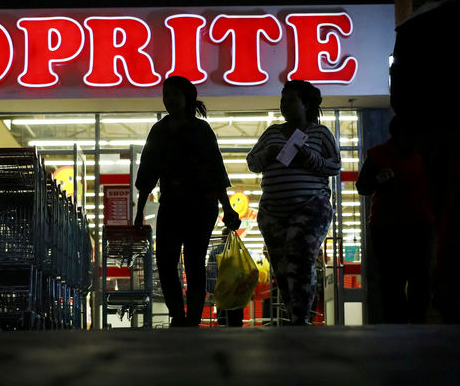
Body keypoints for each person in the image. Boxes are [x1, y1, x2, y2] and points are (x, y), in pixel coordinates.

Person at [389, 0, 460, 323]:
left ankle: (450, 290)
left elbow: (400, 86)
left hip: (433, 131)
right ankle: (453, 288)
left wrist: (410, 127)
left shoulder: (412, 28)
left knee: (444, 208)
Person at [134, 76, 241, 327]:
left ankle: (192, 317)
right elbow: (147, 172)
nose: (169, 99)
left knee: (194, 260)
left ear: (187, 98)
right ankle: (177, 314)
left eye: (175, 95)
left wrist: (228, 208)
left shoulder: (201, 130)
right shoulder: (159, 130)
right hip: (171, 203)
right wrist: (139, 211)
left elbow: (216, 170)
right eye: (166, 94)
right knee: (165, 260)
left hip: (200, 206)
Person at [246, 80, 340, 325]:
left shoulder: (320, 133)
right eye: (282, 100)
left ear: (305, 104)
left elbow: (334, 165)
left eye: (290, 100)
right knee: (282, 268)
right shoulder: (272, 132)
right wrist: (267, 154)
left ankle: (301, 319)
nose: (284, 105)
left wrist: (307, 155)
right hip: (272, 212)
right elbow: (252, 162)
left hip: (310, 207)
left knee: (300, 261)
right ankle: (296, 316)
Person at [356, 116, 434, 323]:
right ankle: (399, 324)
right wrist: (377, 180)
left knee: (419, 278)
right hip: (388, 227)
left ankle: (415, 323)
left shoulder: (426, 154)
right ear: (400, 133)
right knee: (393, 280)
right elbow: (362, 186)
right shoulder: (378, 155)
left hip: (419, 224)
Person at [206, 228, 244, 327]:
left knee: (223, 321)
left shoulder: (215, 252)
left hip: (221, 292)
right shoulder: (240, 251)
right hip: (237, 292)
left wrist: (212, 291)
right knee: (236, 321)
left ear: (222, 237)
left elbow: (211, 273)